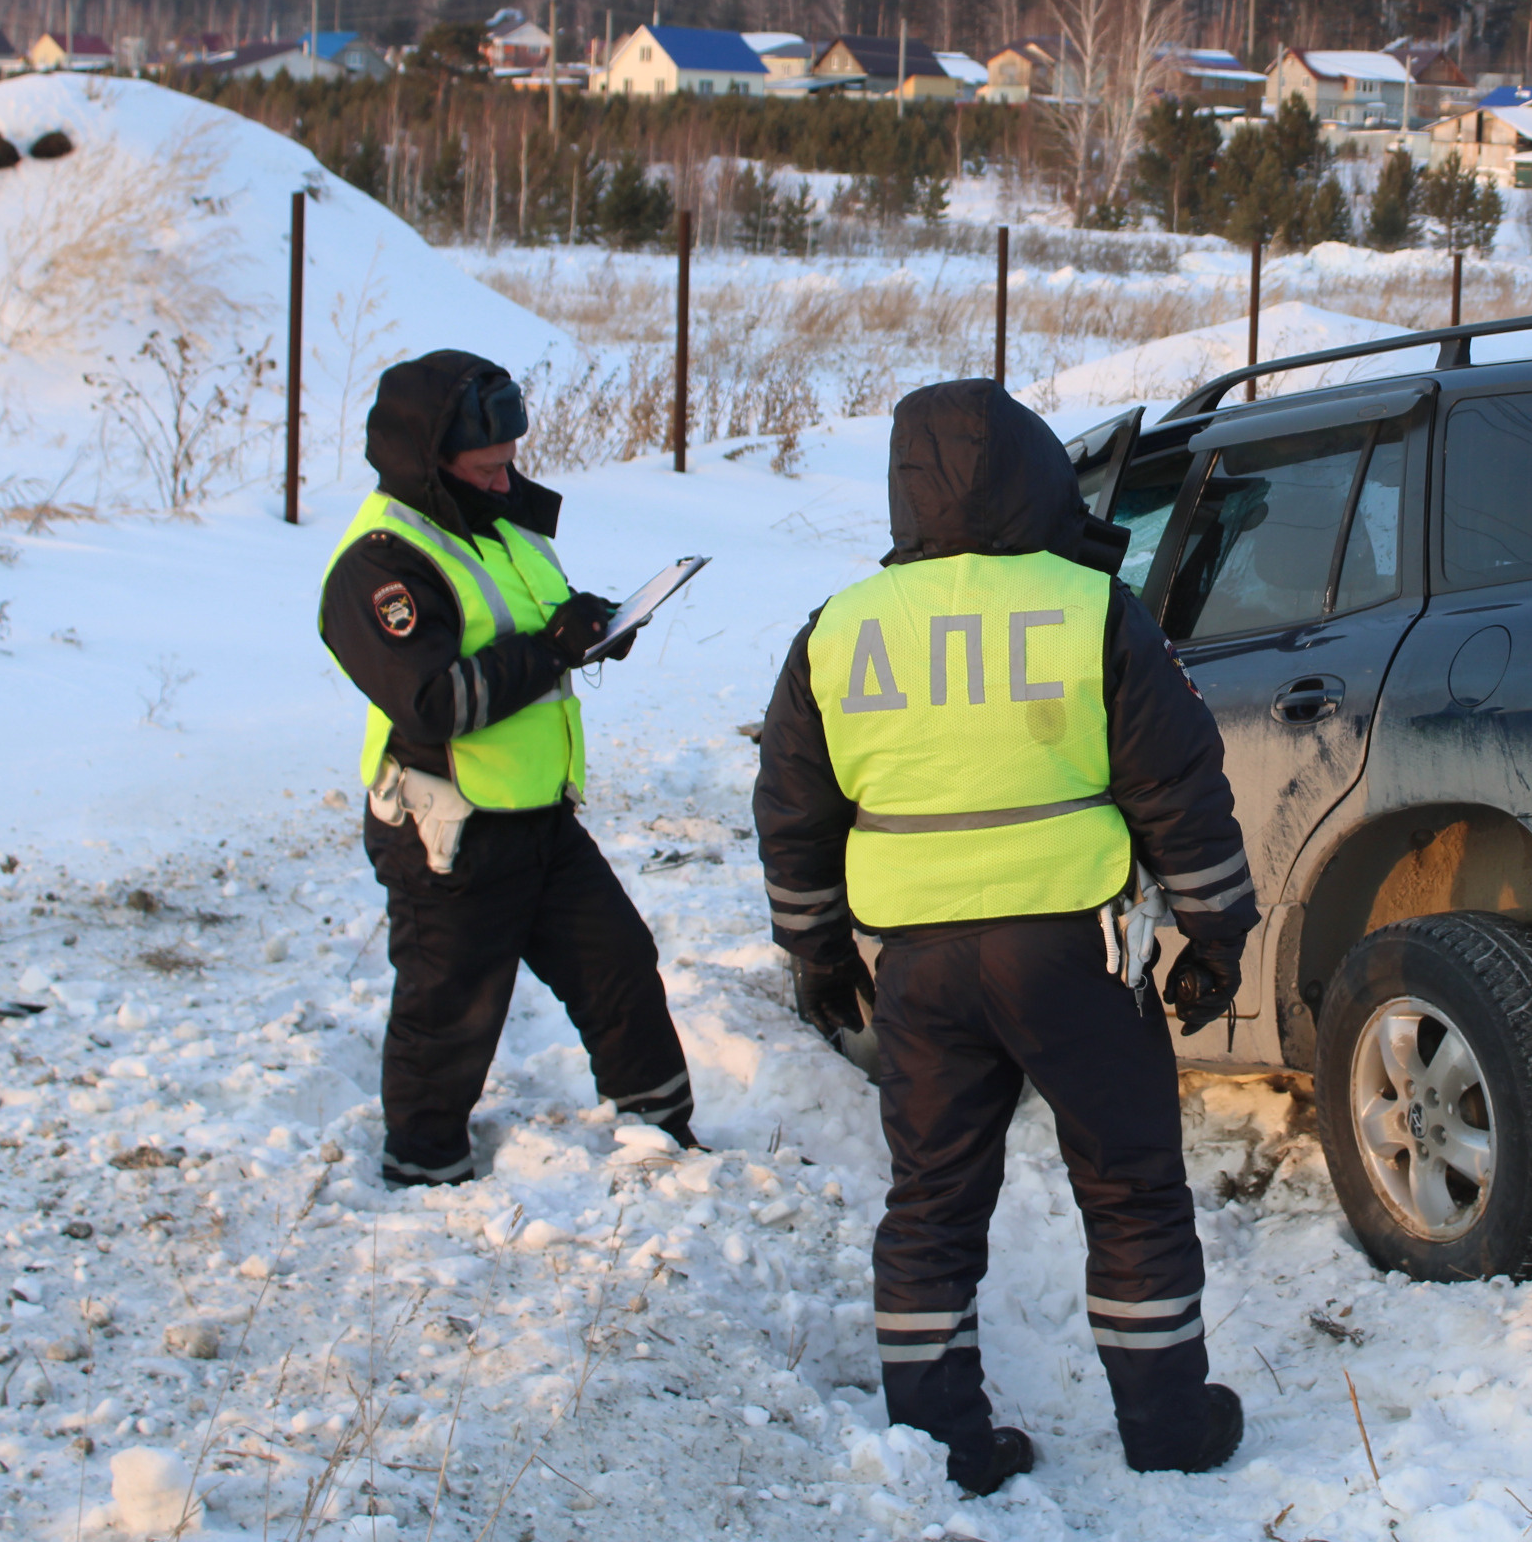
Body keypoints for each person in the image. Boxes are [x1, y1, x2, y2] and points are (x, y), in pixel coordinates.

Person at [753, 379, 1253, 1497]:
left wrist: (818, 951)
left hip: (919, 967)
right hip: (1071, 954)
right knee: (1128, 1180)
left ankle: (941, 1443)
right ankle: (1169, 1421)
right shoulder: (1087, 603)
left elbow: (792, 808)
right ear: (1034, 474)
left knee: (932, 1196)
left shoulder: (838, 628)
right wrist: (1218, 927)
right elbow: (1177, 779)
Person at [318, 350, 694, 1189]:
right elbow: (432, 702)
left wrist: (587, 628)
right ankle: (423, 1172)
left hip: (538, 816)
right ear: (429, 462)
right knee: (449, 1014)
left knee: (620, 966)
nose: (503, 478)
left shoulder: (499, 520)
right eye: (486, 465)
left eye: (510, 461)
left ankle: (666, 1144)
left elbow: (529, 627)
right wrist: (548, 649)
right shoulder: (379, 565)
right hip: (446, 828)